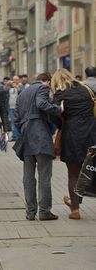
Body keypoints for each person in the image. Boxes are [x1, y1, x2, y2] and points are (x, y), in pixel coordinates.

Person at [14, 73, 63, 221]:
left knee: (28, 176)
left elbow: (16, 118)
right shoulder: (43, 88)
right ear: (47, 81)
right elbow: (41, 104)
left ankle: (30, 211)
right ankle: (44, 211)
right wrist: (58, 109)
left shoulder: (22, 93)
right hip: (40, 136)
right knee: (44, 175)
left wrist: (24, 128)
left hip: (25, 137)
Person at [51, 68, 96, 220]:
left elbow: (55, 113)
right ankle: (75, 201)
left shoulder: (61, 94)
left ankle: (75, 209)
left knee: (73, 173)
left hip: (71, 135)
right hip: (91, 133)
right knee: (90, 169)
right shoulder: (86, 89)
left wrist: (60, 125)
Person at [8, 75, 22, 141]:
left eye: (16, 79)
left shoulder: (20, 86)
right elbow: (3, 90)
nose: (15, 81)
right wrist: (7, 84)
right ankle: (15, 136)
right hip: (11, 107)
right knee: (12, 122)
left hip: (18, 107)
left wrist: (16, 87)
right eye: (13, 79)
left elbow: (22, 92)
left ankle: (18, 136)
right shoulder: (9, 87)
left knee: (18, 122)